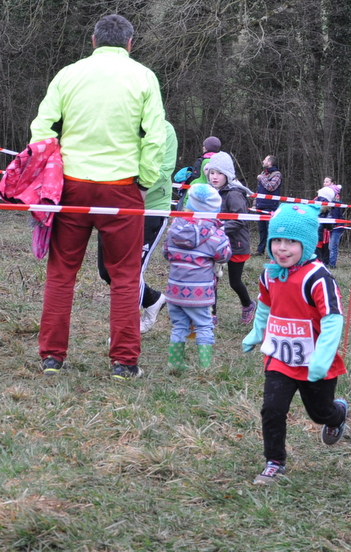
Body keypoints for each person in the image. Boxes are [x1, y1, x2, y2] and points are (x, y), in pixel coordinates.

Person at [32, 14, 166, 379]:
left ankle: (52, 358)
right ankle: (124, 363)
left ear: (93, 41)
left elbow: (42, 129)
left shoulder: (68, 74)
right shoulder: (144, 77)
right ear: (129, 44)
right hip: (122, 187)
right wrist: (145, 180)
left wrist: (49, 172)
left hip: (72, 185)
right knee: (125, 276)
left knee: (61, 273)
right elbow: (156, 136)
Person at [242, 202, 349, 484]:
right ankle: (274, 462)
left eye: (291, 242)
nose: (282, 248)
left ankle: (337, 414)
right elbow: (265, 305)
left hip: (315, 362)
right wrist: (256, 332)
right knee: (272, 409)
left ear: (307, 244)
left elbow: (333, 320)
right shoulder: (269, 273)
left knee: (319, 413)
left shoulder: (318, 277)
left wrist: (322, 358)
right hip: (279, 356)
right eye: (277, 240)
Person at [97, 120, 177, 334]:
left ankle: (125, 332)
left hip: (150, 209)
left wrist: (127, 190)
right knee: (107, 271)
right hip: (114, 207)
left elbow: (164, 170)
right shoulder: (119, 122)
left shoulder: (165, 130)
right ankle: (152, 299)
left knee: (130, 273)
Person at [163, 184, 231, 371]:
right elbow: (224, 254)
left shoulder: (174, 228)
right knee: (204, 325)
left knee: (179, 326)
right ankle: (205, 367)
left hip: (175, 289)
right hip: (199, 292)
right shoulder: (215, 234)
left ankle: (175, 363)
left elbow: (166, 252)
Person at [203, 152, 256, 325]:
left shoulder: (234, 194)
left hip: (236, 244)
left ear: (227, 174)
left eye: (219, 173)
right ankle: (212, 315)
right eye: (212, 172)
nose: (214, 177)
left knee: (235, 282)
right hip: (217, 243)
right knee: (213, 279)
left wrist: (219, 228)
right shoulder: (211, 192)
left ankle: (248, 305)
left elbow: (240, 220)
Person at [254, 155, 282, 255]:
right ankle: (260, 250)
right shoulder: (264, 174)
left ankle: (270, 251)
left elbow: (271, 187)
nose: (263, 161)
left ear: (269, 162)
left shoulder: (277, 174)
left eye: (265, 159)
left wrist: (262, 178)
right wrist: (255, 203)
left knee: (271, 230)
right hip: (260, 206)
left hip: (270, 207)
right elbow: (259, 191)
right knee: (262, 230)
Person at [314, 185, 336, 266]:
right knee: (319, 250)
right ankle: (320, 265)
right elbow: (328, 221)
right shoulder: (327, 205)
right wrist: (330, 227)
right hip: (319, 232)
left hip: (313, 230)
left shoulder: (314, 201)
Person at [327, 183, 345, 269]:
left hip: (337, 227)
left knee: (332, 246)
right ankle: (328, 262)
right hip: (329, 226)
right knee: (328, 246)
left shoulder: (336, 203)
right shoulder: (328, 202)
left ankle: (332, 264)